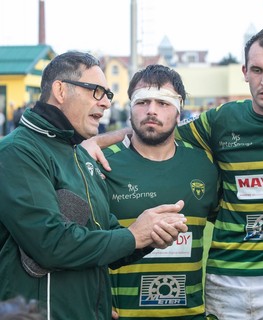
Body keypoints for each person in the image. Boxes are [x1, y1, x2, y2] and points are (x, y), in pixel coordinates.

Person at [84, 28, 263, 319]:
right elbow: (157, 130)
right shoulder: (221, 120)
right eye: (257, 70)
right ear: (245, 72)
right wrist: (97, 141)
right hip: (225, 280)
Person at [0, 51, 188, 320]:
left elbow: (107, 239)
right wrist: (133, 236)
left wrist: (151, 235)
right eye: (97, 92)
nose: (106, 104)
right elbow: (50, 244)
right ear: (61, 90)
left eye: (108, 95)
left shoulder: (79, 155)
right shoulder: (18, 151)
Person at [100, 64, 220, 319]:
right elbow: (78, 243)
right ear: (130, 107)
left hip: (190, 314)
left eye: (163, 103)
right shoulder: (101, 164)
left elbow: (235, 227)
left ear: (179, 112)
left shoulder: (205, 165)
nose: (152, 110)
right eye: (142, 101)